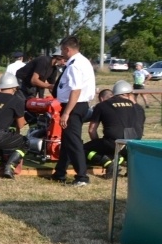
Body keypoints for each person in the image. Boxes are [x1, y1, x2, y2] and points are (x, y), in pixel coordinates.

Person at [48, 35, 96, 187]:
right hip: (77, 105)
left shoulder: (75, 65)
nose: (62, 53)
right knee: (68, 140)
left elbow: (75, 90)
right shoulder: (82, 61)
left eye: (62, 50)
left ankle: (82, 176)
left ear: (67, 49)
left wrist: (66, 112)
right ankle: (60, 172)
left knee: (73, 142)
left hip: (74, 105)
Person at [84, 80, 145, 179]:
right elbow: (140, 127)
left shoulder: (102, 105)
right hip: (134, 144)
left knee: (84, 149)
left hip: (114, 143)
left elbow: (92, 130)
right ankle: (128, 166)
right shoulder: (137, 107)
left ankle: (108, 164)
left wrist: (97, 145)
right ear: (128, 94)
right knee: (120, 150)